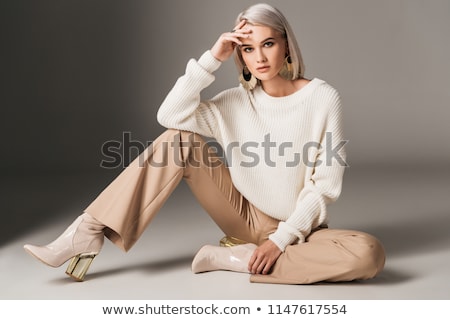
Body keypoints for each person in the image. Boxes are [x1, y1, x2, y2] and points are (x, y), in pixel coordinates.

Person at [24, 3, 385, 284]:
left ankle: (233, 259)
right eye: (247, 48)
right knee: (178, 141)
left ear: (286, 44)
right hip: (242, 215)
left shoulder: (323, 98)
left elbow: (324, 187)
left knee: (369, 254)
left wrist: (282, 239)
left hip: (298, 227)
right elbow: (170, 116)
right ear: (239, 55)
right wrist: (213, 58)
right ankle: (87, 231)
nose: (258, 57)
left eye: (268, 44)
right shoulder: (234, 101)